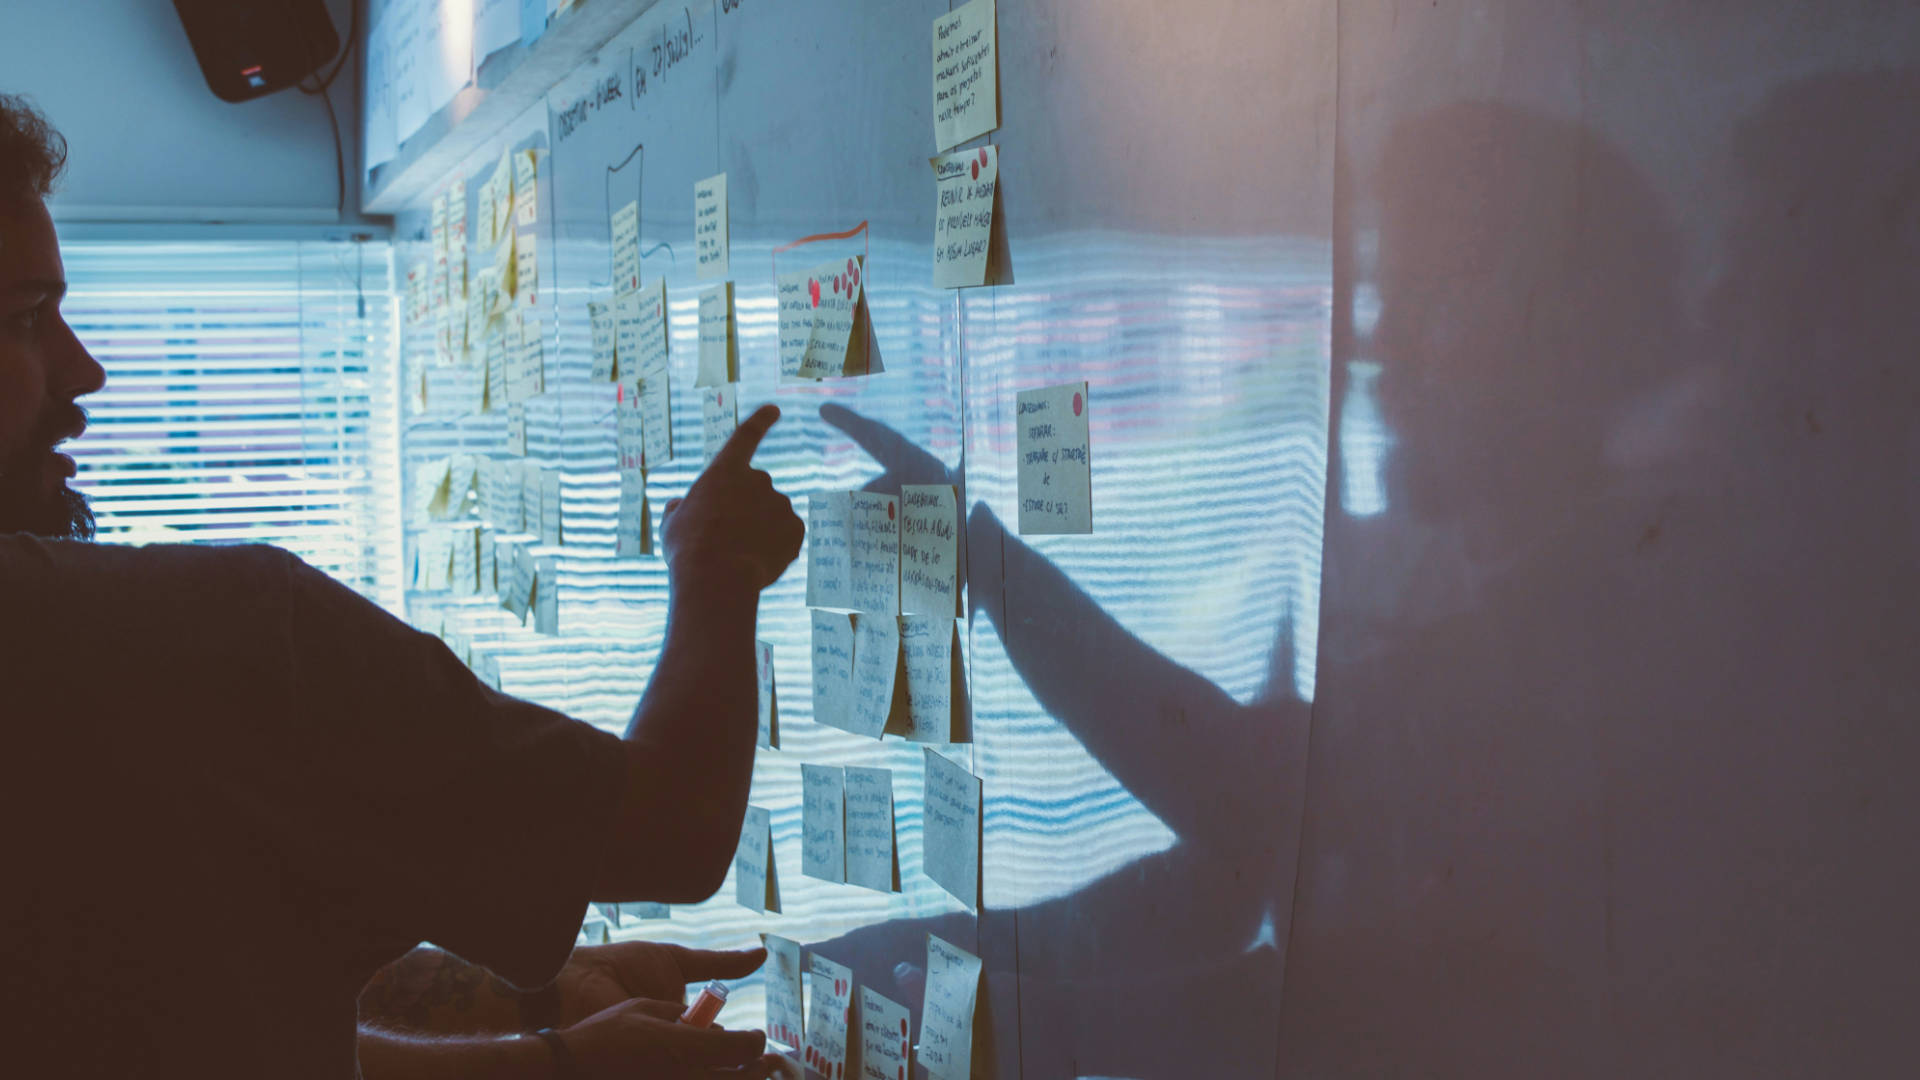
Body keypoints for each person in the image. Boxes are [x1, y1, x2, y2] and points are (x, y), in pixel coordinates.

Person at [0, 92, 804, 1079]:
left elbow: (180, 1012)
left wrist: (545, 1031)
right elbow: (671, 829)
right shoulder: (214, 638)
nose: (84, 372)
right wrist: (715, 570)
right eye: (28, 318)